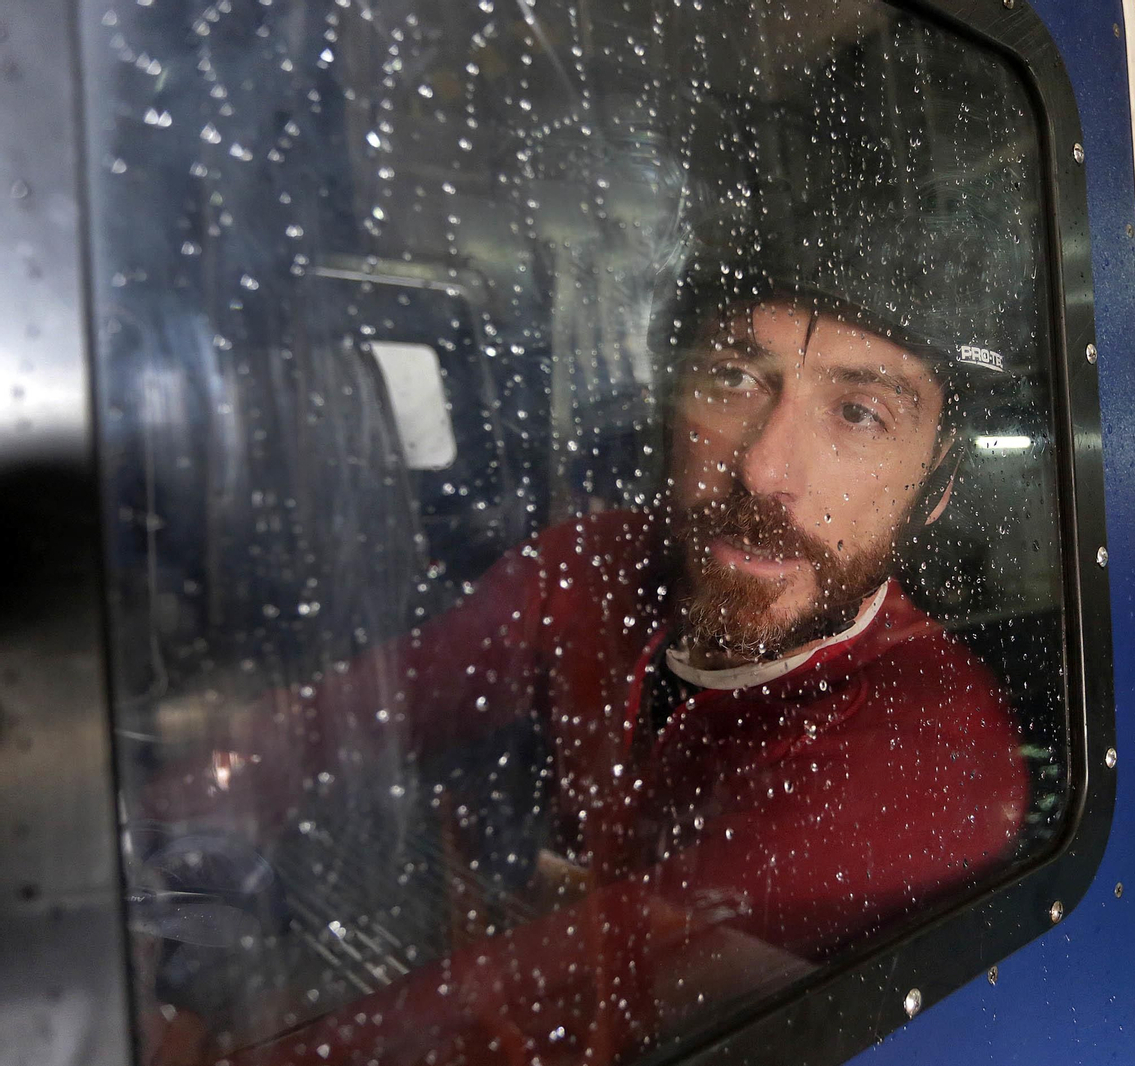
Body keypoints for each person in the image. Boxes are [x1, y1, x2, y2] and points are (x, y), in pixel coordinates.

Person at [139, 196, 1035, 1065]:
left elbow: (591, 999)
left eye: (859, 412)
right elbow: (352, 711)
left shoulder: (930, 754)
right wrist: (164, 827)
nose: (764, 469)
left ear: (939, 488)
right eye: (732, 379)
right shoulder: (597, 567)